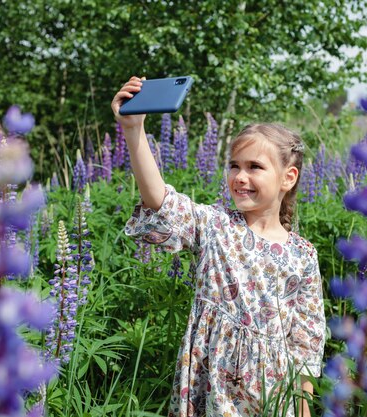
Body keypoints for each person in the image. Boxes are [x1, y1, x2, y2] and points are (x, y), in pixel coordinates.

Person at [112, 76, 326, 417]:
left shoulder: (303, 255)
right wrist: (133, 129)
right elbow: (159, 201)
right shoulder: (215, 224)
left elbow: (305, 345)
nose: (240, 176)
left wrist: (303, 409)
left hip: (272, 393)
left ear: (289, 177)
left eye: (254, 167)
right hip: (210, 381)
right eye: (234, 166)